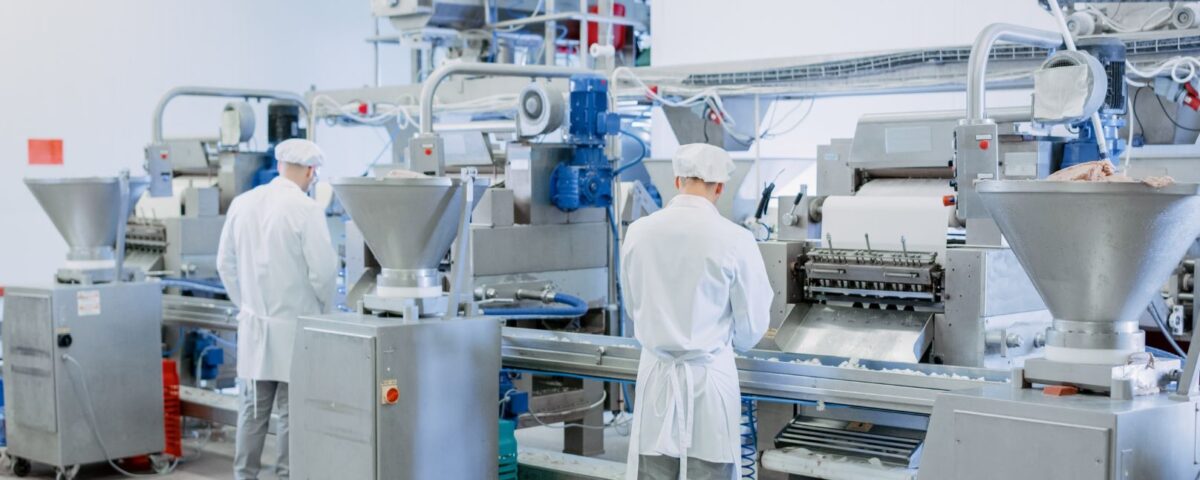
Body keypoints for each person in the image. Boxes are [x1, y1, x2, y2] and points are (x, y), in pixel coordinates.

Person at [620, 143, 773, 480]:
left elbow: (633, 308)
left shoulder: (639, 233)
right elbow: (751, 331)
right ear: (719, 187)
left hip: (656, 382)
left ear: (677, 180)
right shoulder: (735, 239)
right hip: (709, 391)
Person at [217, 138, 337, 480]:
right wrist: (324, 312)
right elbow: (324, 272)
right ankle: (287, 476)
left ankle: (244, 475)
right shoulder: (306, 209)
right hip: (296, 329)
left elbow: (224, 264)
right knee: (291, 413)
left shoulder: (243, 203)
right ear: (311, 172)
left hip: (255, 328)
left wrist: (247, 305)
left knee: (252, 411)